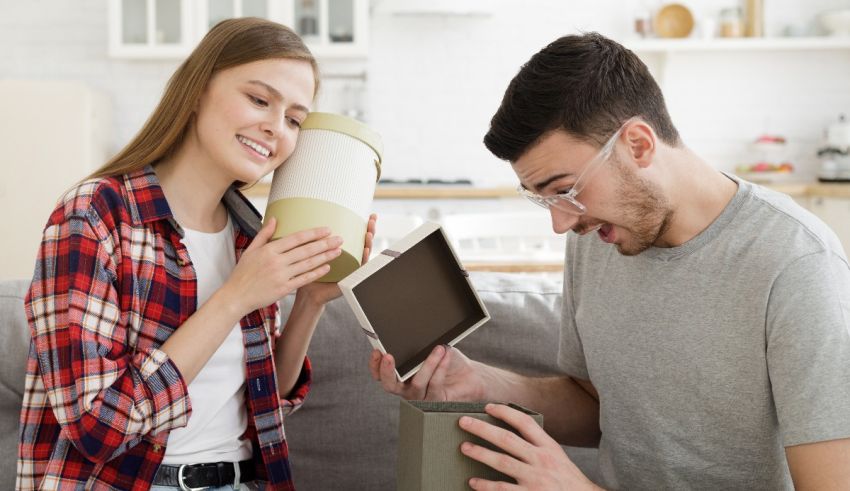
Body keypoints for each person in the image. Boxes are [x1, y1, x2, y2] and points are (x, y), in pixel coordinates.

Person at [370, 32, 850, 489]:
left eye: (565, 190)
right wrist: (477, 381)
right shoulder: (599, 238)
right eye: (543, 199)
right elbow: (594, 406)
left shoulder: (796, 263)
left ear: (638, 144)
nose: (561, 224)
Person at [17, 17, 375, 490]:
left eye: (294, 120)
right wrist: (234, 298)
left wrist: (309, 300)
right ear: (198, 90)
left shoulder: (252, 235)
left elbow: (266, 402)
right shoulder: (96, 214)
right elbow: (98, 426)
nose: (274, 128)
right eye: (259, 99)